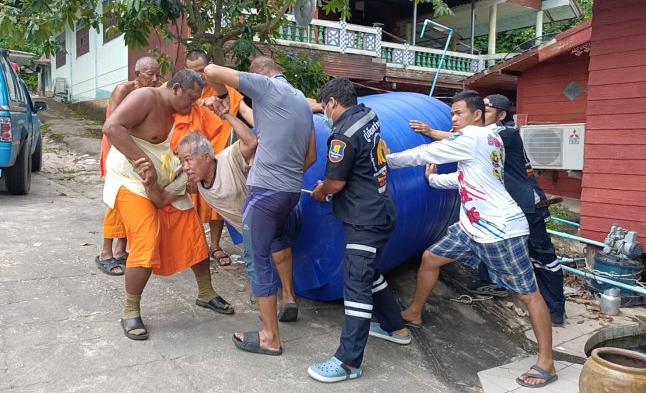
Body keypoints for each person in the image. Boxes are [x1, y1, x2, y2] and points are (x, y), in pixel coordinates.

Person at [387, 90, 557, 388]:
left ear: (476, 115)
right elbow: (470, 177)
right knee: (430, 258)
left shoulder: (474, 138)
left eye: (458, 113)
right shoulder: (488, 139)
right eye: (451, 114)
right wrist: (433, 180)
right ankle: (414, 313)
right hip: (471, 227)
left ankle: (547, 363)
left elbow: (425, 153)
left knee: (528, 294)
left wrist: (387, 159)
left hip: (500, 230)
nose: (453, 119)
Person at [409, 94, 566, 325]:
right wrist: (434, 179)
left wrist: (432, 133)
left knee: (543, 259)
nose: (479, 113)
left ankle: (555, 309)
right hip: (496, 212)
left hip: (526, 205)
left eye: (486, 110)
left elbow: (459, 139)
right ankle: (491, 283)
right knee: (480, 243)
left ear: (500, 115)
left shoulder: (503, 133)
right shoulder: (481, 135)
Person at [102, 69, 234, 341]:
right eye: (190, 98)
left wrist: (184, 170)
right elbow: (111, 128)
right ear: (175, 89)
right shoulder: (145, 97)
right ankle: (130, 310)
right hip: (130, 178)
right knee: (147, 238)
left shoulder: (178, 110)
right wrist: (144, 165)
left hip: (160, 177)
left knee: (191, 228)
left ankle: (205, 292)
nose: (193, 103)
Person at [203, 56, 315, 355]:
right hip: (289, 191)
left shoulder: (265, 87)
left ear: (260, 74)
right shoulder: (301, 101)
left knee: (256, 260)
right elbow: (312, 156)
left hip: (265, 192)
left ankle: (270, 338)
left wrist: (223, 92)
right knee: (276, 241)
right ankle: (288, 299)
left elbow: (210, 70)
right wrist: (229, 111)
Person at [305, 78, 411, 383]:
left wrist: (322, 191)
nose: (324, 113)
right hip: (382, 209)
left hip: (364, 219)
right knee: (368, 272)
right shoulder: (368, 115)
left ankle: (348, 362)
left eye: (324, 107)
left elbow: (336, 183)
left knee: (356, 285)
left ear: (333, 103)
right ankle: (395, 327)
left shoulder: (342, 136)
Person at [162, 97, 300, 321]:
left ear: (207, 157)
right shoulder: (189, 178)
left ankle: (288, 298)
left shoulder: (229, 158)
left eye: (188, 160)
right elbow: (162, 198)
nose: (185, 166)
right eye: (182, 161)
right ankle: (273, 297)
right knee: (258, 252)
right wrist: (148, 180)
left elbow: (252, 142)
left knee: (273, 243)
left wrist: (225, 114)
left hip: (278, 210)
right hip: (251, 228)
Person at [169, 50, 246, 266]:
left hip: (216, 154)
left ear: (209, 66)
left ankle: (215, 246)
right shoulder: (184, 92)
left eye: (202, 70)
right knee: (187, 202)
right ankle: (192, 246)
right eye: (193, 71)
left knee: (216, 206)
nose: (199, 76)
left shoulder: (221, 89)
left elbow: (239, 110)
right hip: (189, 155)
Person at [95, 56, 162, 276]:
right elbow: (113, 126)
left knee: (131, 197)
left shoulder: (156, 91)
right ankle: (106, 252)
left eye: (157, 74)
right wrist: (127, 157)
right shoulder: (123, 90)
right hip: (117, 147)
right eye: (149, 74)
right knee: (115, 198)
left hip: (136, 150)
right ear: (136, 75)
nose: (154, 79)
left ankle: (121, 249)